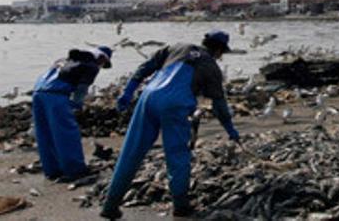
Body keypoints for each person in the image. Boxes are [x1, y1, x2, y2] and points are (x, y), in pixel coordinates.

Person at [100, 31, 239, 219]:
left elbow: (145, 68)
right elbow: (219, 106)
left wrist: (128, 93)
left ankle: (110, 206)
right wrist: (231, 130)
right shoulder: (212, 67)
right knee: (177, 155)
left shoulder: (177, 47)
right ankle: (180, 206)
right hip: (175, 105)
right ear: (219, 50)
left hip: (147, 99)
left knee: (131, 151)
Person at [32, 45, 113, 182]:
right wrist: (76, 105)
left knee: (45, 133)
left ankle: (52, 170)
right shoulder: (91, 65)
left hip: (38, 92)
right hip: (56, 95)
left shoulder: (66, 59)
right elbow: (81, 89)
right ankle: (75, 170)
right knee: (66, 133)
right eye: (103, 63)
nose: (101, 66)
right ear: (101, 57)